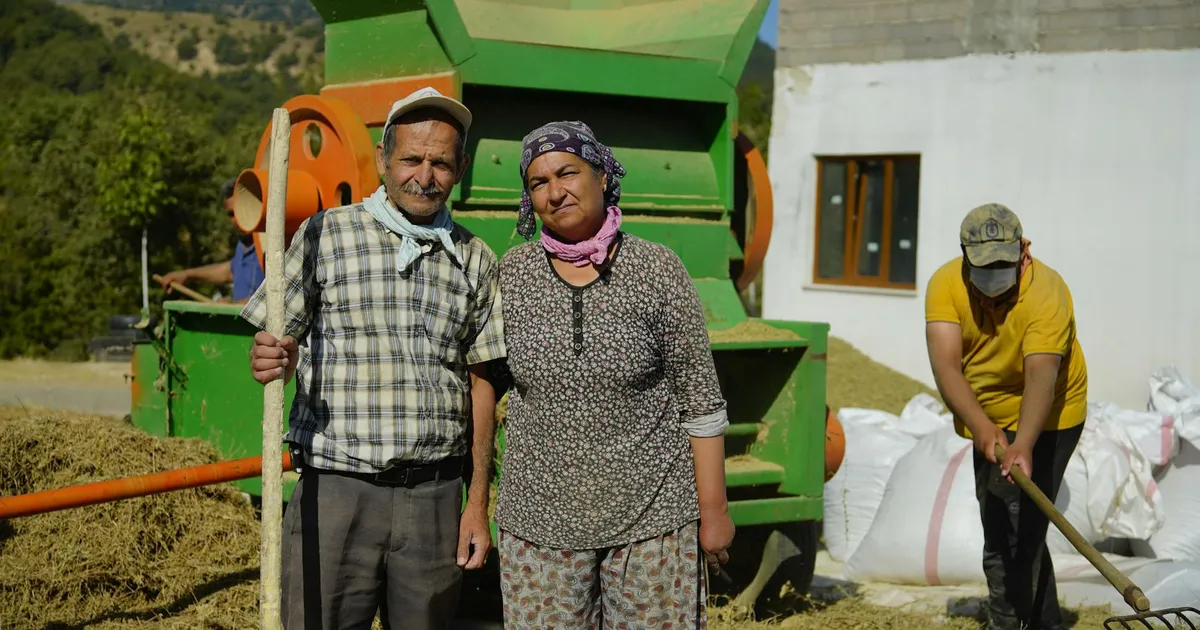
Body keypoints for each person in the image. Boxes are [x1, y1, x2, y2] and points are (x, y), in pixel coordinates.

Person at [243, 86, 505, 630]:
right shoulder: (326, 234)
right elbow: (275, 341)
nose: (424, 176)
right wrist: (271, 358)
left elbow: (481, 384)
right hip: (337, 494)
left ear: (460, 170)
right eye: (411, 159)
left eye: (441, 163)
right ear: (384, 159)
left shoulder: (476, 259)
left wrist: (476, 500)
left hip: (434, 499)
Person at [489, 120, 735, 629]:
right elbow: (482, 384)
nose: (555, 192)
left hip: (653, 526)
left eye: (568, 173)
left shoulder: (657, 269)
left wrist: (714, 514)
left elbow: (701, 403)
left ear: (602, 176)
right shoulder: (512, 275)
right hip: (540, 529)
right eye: (538, 182)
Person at [924, 203, 1088, 630]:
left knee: (1022, 531)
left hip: (1050, 414)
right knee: (1004, 523)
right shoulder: (945, 284)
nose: (995, 273)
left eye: (1003, 263)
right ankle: (1042, 622)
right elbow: (947, 367)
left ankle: (1011, 622)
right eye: (985, 265)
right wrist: (982, 427)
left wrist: (1024, 444)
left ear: (1023, 250)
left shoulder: (1048, 292)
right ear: (965, 255)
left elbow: (1040, 377)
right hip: (988, 415)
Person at [158, 177, 265, 303]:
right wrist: (186, 275)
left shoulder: (271, 244)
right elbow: (230, 272)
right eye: (231, 214)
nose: (236, 220)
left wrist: (233, 305)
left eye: (239, 211)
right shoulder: (243, 243)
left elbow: (277, 294)